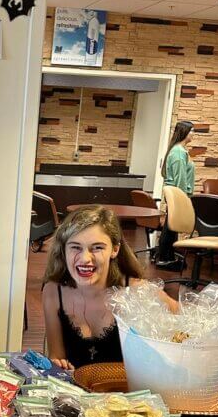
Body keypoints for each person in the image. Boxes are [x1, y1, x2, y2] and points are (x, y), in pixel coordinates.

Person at [42, 206, 176, 370]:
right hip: (74, 392)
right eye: (75, 247)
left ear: (115, 249)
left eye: (97, 247)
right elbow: (56, 357)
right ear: (63, 249)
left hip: (127, 394)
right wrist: (57, 365)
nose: (85, 259)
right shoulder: (53, 292)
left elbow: (190, 328)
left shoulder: (138, 291)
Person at [156, 120, 196, 269]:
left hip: (174, 194)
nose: (193, 134)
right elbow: (180, 178)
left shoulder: (178, 150)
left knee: (171, 226)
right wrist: (183, 200)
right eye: (192, 131)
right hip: (177, 195)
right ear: (184, 132)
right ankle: (164, 259)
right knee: (170, 226)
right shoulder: (178, 152)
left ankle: (167, 257)